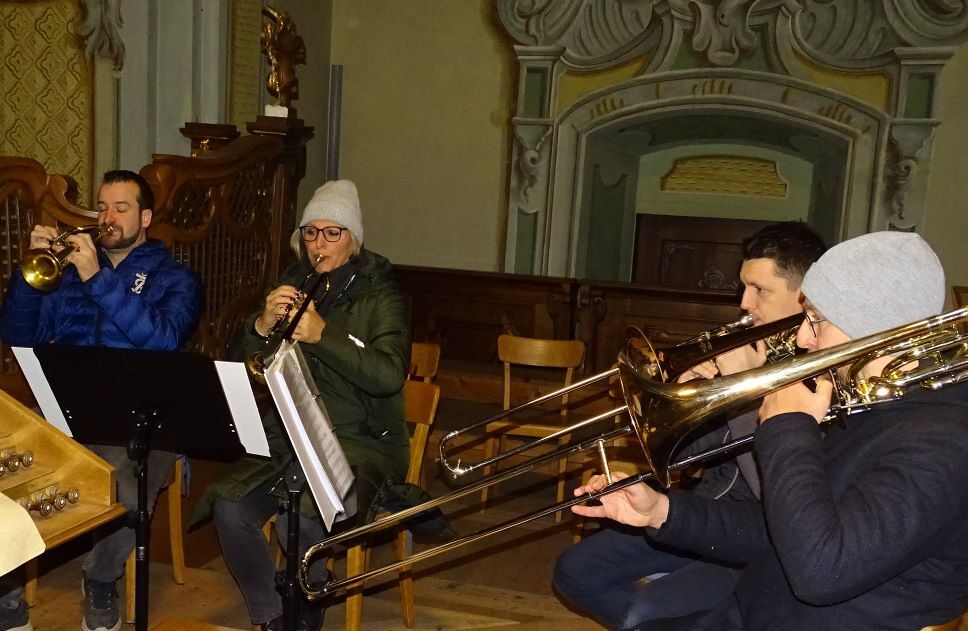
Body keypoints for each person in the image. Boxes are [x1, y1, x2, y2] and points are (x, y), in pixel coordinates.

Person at [573, 231, 968, 630]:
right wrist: (661, 511)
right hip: (755, 613)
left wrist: (788, 427)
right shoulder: (875, 404)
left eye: (817, 320)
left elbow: (822, 572)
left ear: (870, 324)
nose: (803, 337)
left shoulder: (941, 442)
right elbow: (779, 530)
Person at [553, 221, 826, 630]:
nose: (745, 303)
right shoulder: (746, 347)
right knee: (574, 571)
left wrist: (743, 393)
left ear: (805, 295)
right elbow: (688, 458)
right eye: (744, 287)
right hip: (701, 514)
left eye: (760, 290)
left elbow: (777, 488)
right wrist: (684, 406)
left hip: (764, 538)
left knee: (650, 611)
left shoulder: (821, 376)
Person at [194, 179, 411, 631]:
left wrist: (322, 335)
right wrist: (260, 325)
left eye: (332, 232)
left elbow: (389, 376)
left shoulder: (383, 295)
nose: (318, 243)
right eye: (310, 232)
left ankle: (308, 606)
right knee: (230, 508)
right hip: (290, 431)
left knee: (304, 518)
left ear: (353, 240)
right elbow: (241, 364)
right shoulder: (291, 283)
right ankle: (274, 614)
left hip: (362, 440)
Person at [0, 169, 202, 631]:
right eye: (103, 206)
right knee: (4, 467)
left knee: (127, 493)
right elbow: (18, 334)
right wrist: (28, 276)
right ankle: (7, 594)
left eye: (121, 208)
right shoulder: (67, 274)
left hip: (141, 417)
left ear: (146, 217)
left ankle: (101, 577)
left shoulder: (176, 279)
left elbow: (163, 340)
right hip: (65, 409)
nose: (107, 217)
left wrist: (98, 279)